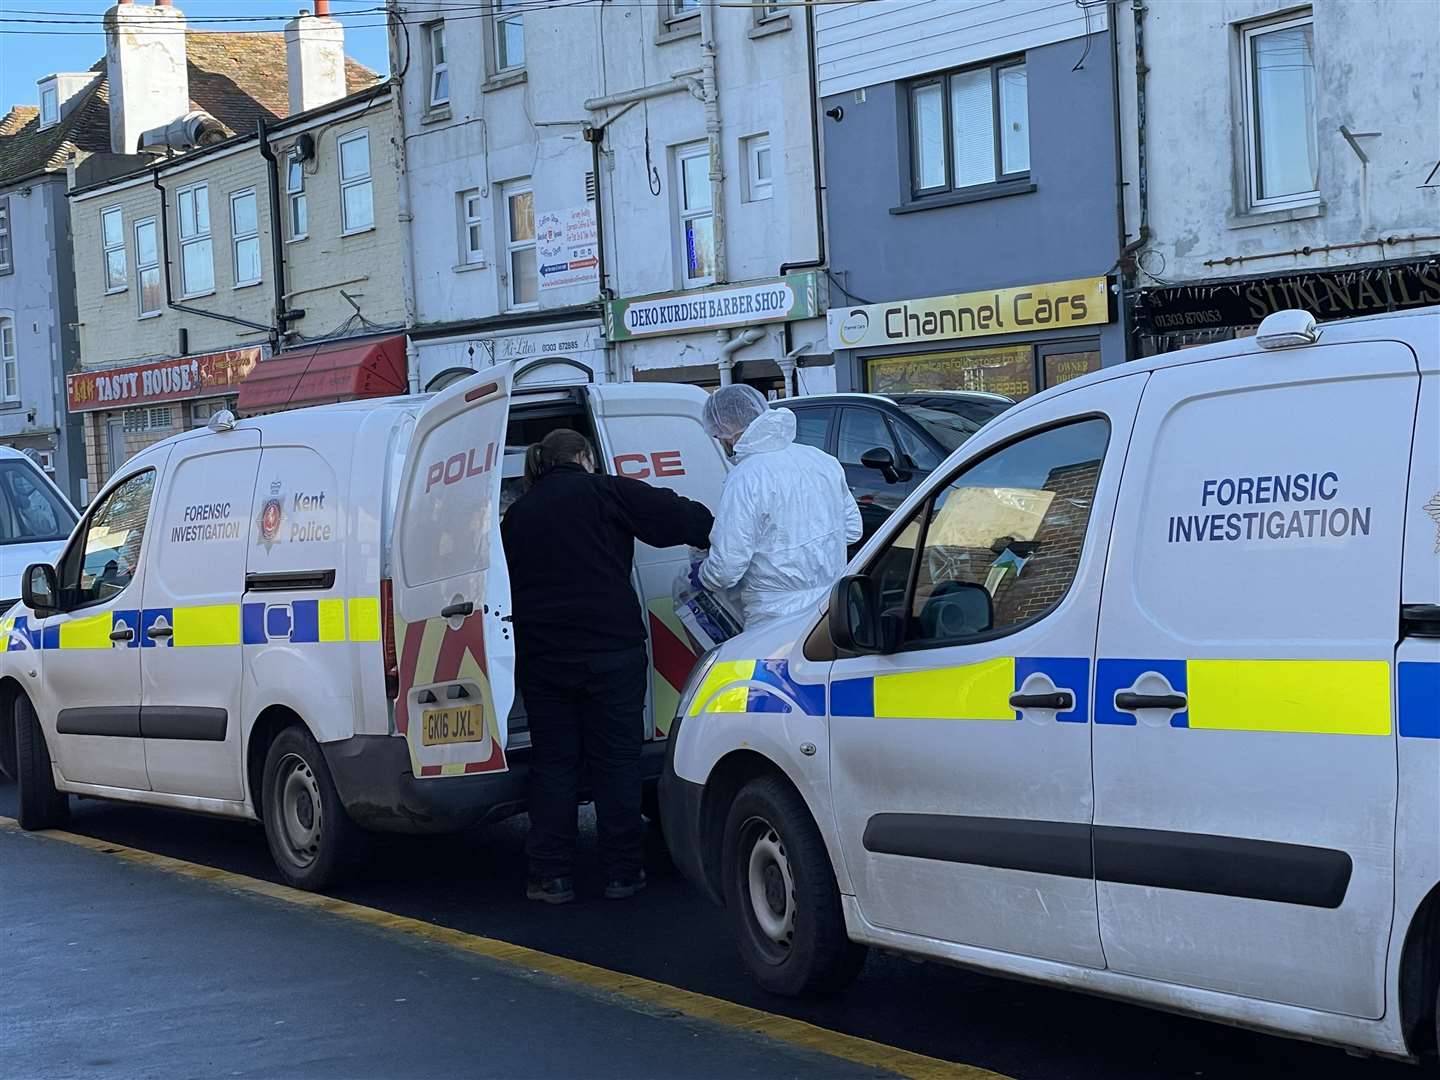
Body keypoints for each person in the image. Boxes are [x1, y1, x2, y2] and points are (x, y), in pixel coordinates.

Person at [500, 428, 714, 905]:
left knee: (554, 763)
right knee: (616, 762)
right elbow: (683, 518)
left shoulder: (518, 515)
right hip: (611, 648)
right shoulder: (606, 491)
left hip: (545, 654)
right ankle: (622, 871)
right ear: (584, 457)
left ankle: (550, 875)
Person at [699, 385, 861, 627]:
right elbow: (852, 530)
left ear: (727, 432)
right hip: (833, 607)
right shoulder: (821, 460)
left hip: (775, 616)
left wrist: (704, 578)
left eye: (717, 437)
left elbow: (727, 566)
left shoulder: (746, 477)